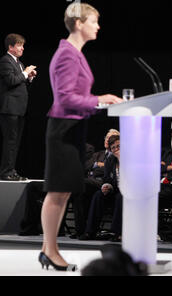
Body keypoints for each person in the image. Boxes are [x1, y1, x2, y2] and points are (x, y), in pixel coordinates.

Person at [39, 3, 122, 272]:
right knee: (57, 192)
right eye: (94, 21)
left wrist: (98, 101)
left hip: (73, 128)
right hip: (63, 129)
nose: (98, 26)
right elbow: (65, 97)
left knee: (63, 193)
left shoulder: (75, 54)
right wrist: (99, 99)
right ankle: (49, 250)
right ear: (78, 23)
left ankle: (49, 250)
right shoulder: (67, 54)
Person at [0, 33, 37, 181]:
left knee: (15, 142)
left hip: (19, 109)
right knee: (10, 141)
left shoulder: (18, 63)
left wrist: (28, 77)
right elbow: (11, 81)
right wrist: (25, 73)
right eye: (19, 45)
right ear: (11, 47)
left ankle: (11, 170)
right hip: (10, 109)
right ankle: (5, 172)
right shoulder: (5, 61)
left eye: (22, 45)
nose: (22, 48)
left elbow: (19, 81)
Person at [79, 135, 123, 242]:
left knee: (120, 197)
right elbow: (107, 178)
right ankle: (90, 231)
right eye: (113, 148)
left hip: (129, 192)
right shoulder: (110, 160)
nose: (116, 149)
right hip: (115, 190)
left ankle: (116, 233)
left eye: (119, 146)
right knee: (98, 195)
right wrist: (106, 186)